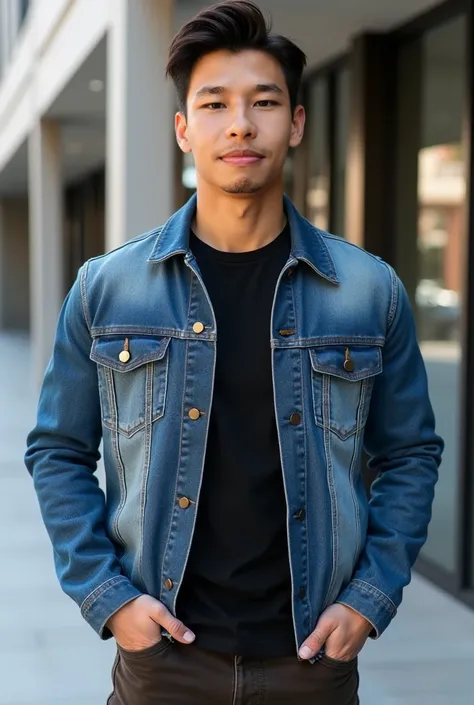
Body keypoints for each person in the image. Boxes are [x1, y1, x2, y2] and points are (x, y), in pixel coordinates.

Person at [25, 1, 444, 703]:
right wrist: (108, 596)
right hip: (164, 659)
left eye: (265, 101)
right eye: (215, 103)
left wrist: (369, 597)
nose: (241, 123)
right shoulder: (106, 288)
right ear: (185, 130)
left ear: (297, 123)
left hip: (310, 660)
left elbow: (410, 453)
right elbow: (56, 450)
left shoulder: (368, 290)